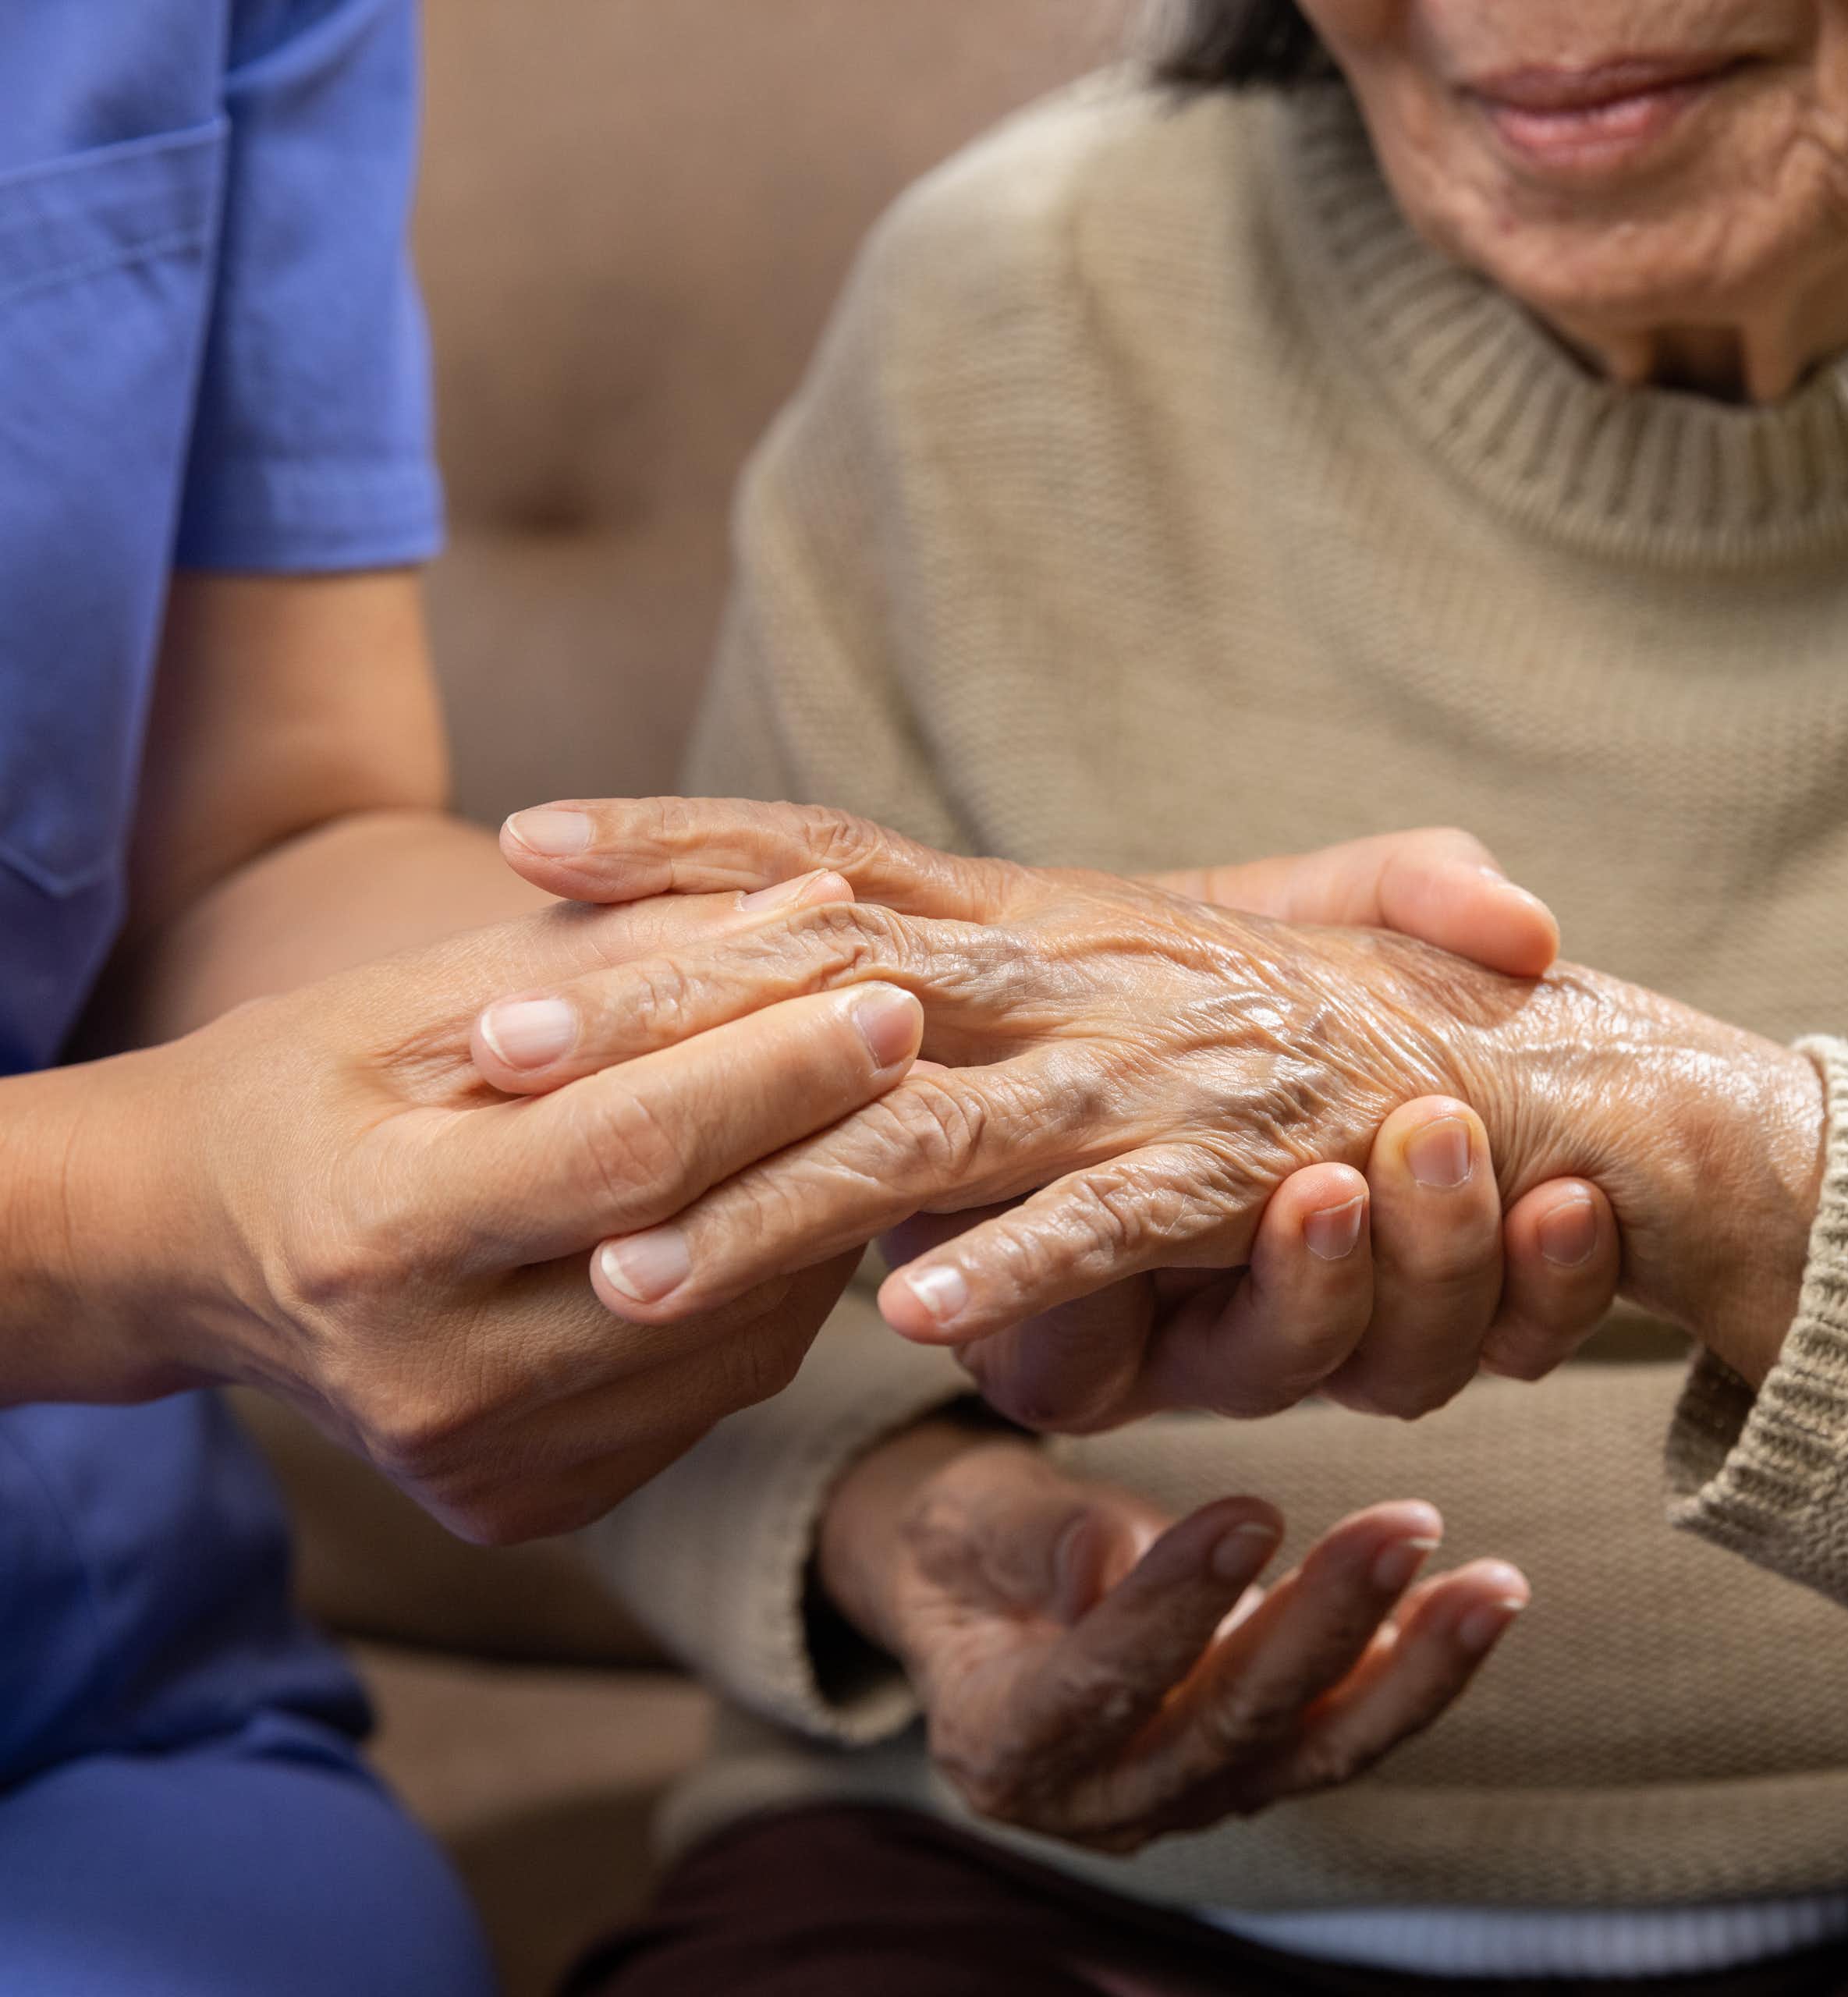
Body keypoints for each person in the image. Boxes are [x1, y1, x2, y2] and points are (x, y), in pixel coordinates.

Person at [0, 4, 1609, 1988]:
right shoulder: (1009, 296)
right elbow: (165, 1171)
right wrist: (124, 1220)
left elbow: (253, 846)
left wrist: (946, 981)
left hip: (73, 1692)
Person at [481, 0, 1848, 1991]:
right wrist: (908, 1528)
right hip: (1038, 1901)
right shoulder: (1001, 307)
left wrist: (1696, 1150)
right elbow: (674, 1266)